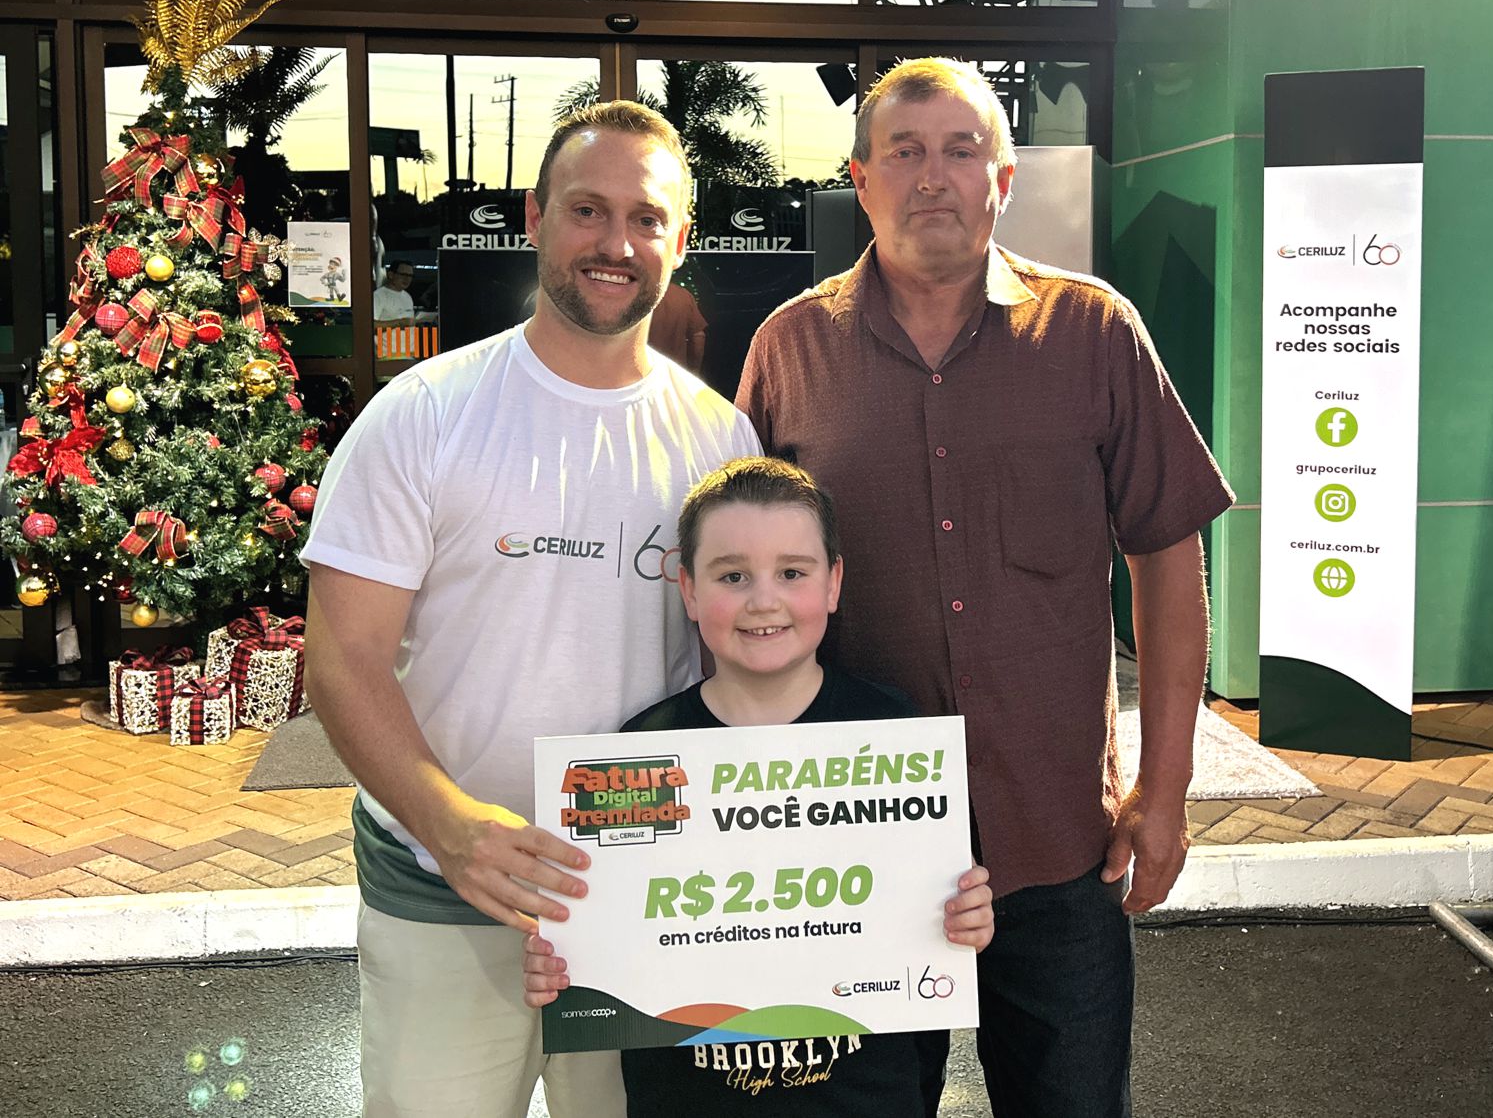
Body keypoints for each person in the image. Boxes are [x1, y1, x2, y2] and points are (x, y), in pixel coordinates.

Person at [734, 58, 1235, 1118]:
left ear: (1003, 177)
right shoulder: (791, 349)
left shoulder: (1094, 333)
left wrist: (1165, 791)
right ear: (860, 179)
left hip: (1058, 844)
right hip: (854, 853)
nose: (934, 176)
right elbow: (739, 594)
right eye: (905, 152)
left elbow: (1167, 556)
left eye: (962, 150)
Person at [301, 101, 762, 1118]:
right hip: (443, 888)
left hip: (644, 895)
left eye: (646, 218)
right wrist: (451, 826)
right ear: (535, 217)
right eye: (587, 210)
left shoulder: (721, 440)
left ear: (680, 240)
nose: (615, 243)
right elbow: (342, 661)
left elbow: (747, 664)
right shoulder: (423, 415)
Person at [523, 455, 993, 1116]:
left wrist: (967, 919)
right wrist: (565, 963)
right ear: (688, 590)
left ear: (833, 583)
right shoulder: (636, 754)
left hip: (867, 1098)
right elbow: (600, 936)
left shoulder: (896, 733)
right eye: (732, 576)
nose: (763, 600)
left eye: (792, 573)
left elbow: (945, 903)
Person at [647, 279, 708, 371]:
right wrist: (694, 370)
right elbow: (698, 337)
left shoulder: (632, 294)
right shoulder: (682, 295)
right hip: (676, 371)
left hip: (640, 372)